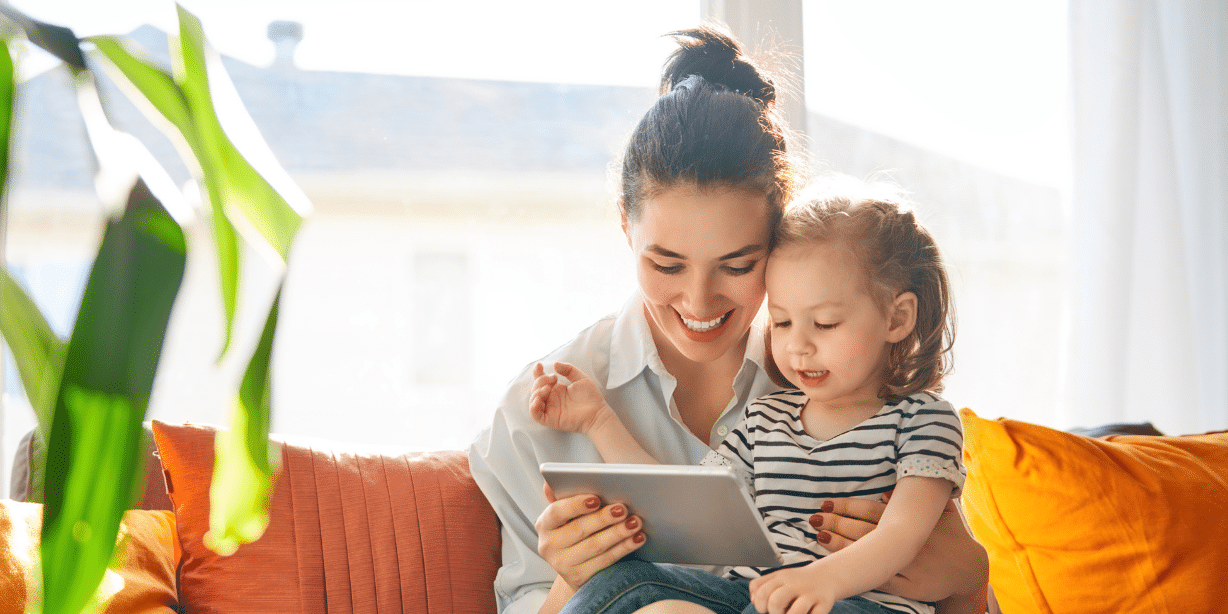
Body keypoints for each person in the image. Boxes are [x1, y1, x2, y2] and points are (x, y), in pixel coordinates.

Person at [467, 24, 989, 614]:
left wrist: (969, 583)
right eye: (666, 265)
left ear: (779, 240)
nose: (699, 302)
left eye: (738, 265)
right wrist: (572, 580)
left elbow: (930, 568)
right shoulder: (535, 416)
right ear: (624, 226)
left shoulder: (845, 378)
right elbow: (685, 502)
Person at [530, 175, 964, 614]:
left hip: (861, 605)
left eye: (826, 323)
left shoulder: (924, 419)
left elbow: (904, 533)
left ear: (897, 318)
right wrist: (598, 421)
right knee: (624, 582)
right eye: (782, 322)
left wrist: (821, 580)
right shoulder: (764, 420)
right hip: (756, 600)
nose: (798, 345)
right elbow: (689, 504)